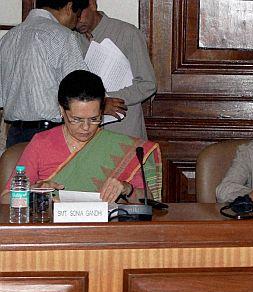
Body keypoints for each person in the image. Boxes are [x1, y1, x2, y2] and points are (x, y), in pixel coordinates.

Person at [1, 70, 162, 204]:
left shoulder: (119, 147)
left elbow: (149, 201)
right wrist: (38, 194)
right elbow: (6, 198)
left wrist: (126, 188)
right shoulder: (41, 143)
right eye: (76, 119)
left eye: (94, 119)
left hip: (105, 233)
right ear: (62, 111)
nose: (85, 128)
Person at [0, 0, 90, 148]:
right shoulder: (63, 36)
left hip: (15, 134)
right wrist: (104, 103)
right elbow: (80, 90)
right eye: (77, 14)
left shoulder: (9, 37)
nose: (76, 22)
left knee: (20, 171)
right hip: (50, 133)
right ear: (69, 7)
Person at [75, 0, 157, 139]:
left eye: (80, 14)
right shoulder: (71, 38)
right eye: (73, 14)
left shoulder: (127, 33)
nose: (77, 21)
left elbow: (147, 84)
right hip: (85, 132)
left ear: (92, 5)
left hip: (124, 127)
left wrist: (106, 100)